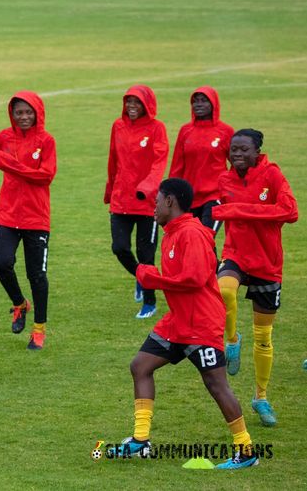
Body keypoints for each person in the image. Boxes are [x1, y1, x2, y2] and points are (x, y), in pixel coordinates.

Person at [109, 178, 259, 470]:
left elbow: (195, 279)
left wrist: (154, 279)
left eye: (156, 201)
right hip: (178, 321)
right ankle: (140, 441)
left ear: (170, 201)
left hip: (201, 324)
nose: (152, 207)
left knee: (216, 384)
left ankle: (246, 450)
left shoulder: (192, 234)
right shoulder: (172, 233)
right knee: (140, 366)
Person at [212, 129, 298, 427]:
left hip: (267, 263)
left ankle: (261, 397)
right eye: (233, 149)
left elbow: (290, 211)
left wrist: (240, 210)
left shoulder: (272, 176)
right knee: (223, 291)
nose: (236, 154)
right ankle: (232, 340)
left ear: (257, 151)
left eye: (243, 149)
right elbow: (218, 216)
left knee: (264, 338)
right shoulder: (224, 179)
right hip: (235, 254)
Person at [0, 91, 56, 349]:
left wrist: (8, 163)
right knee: (2, 264)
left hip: (36, 218)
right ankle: (19, 303)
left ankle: (39, 330)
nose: (24, 117)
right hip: (7, 215)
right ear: (12, 114)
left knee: (37, 275)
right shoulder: (3, 138)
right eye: (19, 113)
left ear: (37, 113)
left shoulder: (46, 141)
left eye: (28, 112)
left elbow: (45, 176)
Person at [104, 85, 169, 319]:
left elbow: (159, 163)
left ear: (147, 105)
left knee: (146, 254)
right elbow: (113, 159)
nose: (132, 107)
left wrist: (147, 187)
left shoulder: (156, 128)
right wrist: (109, 189)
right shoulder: (118, 126)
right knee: (119, 248)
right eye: (129, 101)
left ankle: (150, 303)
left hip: (147, 202)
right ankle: (141, 278)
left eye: (137, 102)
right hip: (121, 199)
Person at [169, 86, 234, 234]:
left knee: (205, 235)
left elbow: (237, 163)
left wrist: (231, 189)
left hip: (215, 196)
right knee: (195, 240)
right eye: (195, 101)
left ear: (214, 104)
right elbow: (177, 165)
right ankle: (212, 259)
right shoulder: (185, 131)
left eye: (204, 101)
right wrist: (171, 194)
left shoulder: (225, 131)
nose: (198, 104)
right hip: (189, 197)